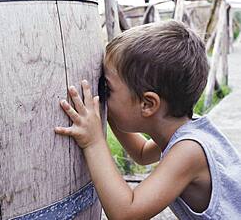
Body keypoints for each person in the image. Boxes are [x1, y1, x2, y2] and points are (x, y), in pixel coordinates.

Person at [54, 20, 241, 219]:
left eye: (108, 90)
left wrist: (93, 142)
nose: (104, 96)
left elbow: (126, 213)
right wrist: (104, 110)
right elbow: (141, 154)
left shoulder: (190, 151)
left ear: (148, 104)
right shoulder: (187, 130)